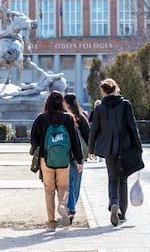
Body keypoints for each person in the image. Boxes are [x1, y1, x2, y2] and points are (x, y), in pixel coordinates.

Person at [88, 78, 142, 226]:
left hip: (108, 149)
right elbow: (133, 127)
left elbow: (94, 131)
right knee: (123, 180)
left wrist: (91, 149)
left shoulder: (99, 108)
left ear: (104, 91)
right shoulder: (126, 105)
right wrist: (139, 146)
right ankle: (122, 214)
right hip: (125, 148)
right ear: (116, 89)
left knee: (112, 179)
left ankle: (113, 203)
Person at [30, 91, 83, 232]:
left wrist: (37, 149)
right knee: (64, 188)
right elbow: (75, 141)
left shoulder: (41, 119)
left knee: (49, 191)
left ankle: (51, 222)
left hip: (46, 159)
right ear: (62, 103)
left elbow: (33, 140)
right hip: (64, 160)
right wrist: (79, 160)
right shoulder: (67, 119)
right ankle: (62, 206)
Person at [64, 93, 90, 223]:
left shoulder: (64, 116)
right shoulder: (80, 116)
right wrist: (92, 150)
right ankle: (72, 207)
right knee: (77, 181)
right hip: (79, 154)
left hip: (66, 153)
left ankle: (70, 206)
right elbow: (88, 134)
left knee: (68, 181)